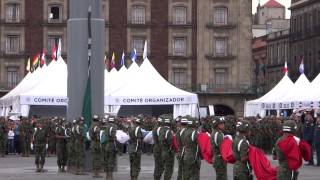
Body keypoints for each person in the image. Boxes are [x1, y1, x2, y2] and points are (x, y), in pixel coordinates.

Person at [158, 115, 175, 180]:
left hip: (163, 151)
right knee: (169, 169)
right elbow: (171, 143)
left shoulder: (161, 130)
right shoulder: (169, 131)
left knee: (165, 168)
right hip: (168, 152)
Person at [128, 116, 144, 180]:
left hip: (131, 149)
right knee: (136, 165)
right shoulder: (138, 129)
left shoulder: (131, 128)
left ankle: (132, 178)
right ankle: (135, 178)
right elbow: (139, 140)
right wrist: (141, 147)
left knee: (132, 165)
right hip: (136, 150)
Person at [103, 115, 118, 180]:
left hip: (106, 145)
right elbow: (113, 136)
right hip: (111, 145)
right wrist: (116, 138)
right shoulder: (113, 127)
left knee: (107, 160)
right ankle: (110, 176)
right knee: (111, 161)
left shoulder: (106, 126)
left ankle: (107, 176)